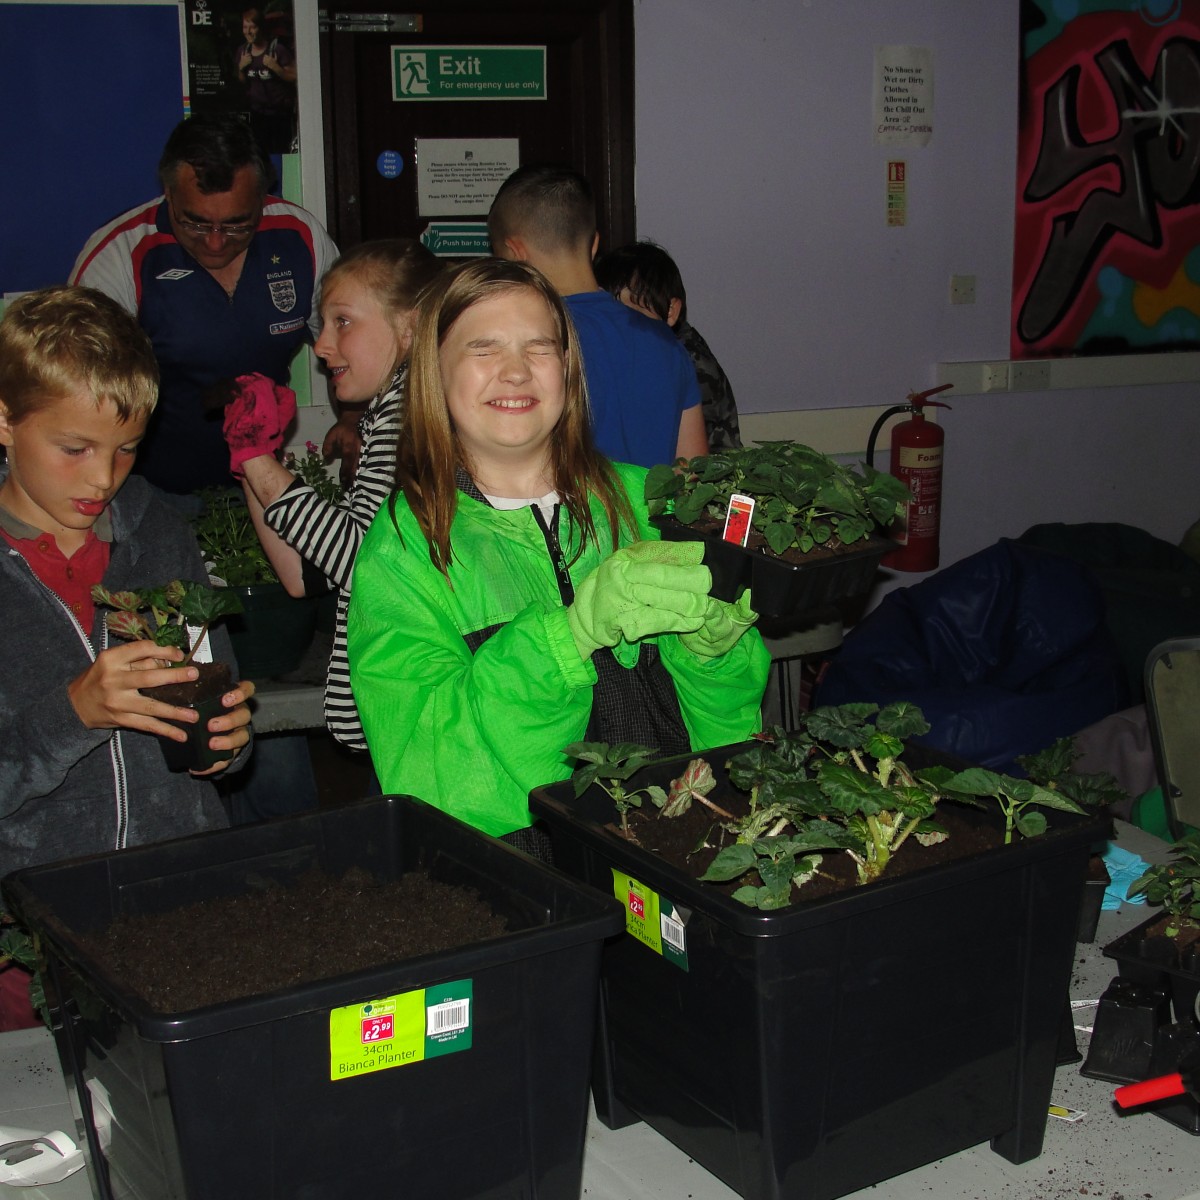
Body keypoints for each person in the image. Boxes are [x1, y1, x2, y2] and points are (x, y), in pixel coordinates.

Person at [346, 259, 768, 856]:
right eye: (484, 348)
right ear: (434, 375)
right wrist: (565, 640)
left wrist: (713, 656)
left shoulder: (651, 504)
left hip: (670, 852)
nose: (516, 371)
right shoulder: (405, 549)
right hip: (525, 879)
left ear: (568, 371)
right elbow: (432, 779)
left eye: (538, 348)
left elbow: (728, 736)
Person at [0, 287, 255, 1022]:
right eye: (74, 448)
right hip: (31, 941)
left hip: (178, 911)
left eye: (126, 449)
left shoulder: (160, 533)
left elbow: (215, 680)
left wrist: (223, 746)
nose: (102, 478)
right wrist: (72, 714)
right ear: (6, 421)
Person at [220, 239, 444, 758]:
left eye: (343, 321)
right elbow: (306, 574)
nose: (321, 347)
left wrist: (259, 459)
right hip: (404, 722)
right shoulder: (398, 412)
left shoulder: (408, 418)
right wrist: (252, 460)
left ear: (410, 327)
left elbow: (361, 560)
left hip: (416, 722)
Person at [69, 112, 338, 497]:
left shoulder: (299, 237)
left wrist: (353, 417)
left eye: (236, 226)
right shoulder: (119, 257)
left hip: (264, 480)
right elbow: (79, 393)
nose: (215, 243)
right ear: (168, 192)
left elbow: (352, 341)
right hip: (148, 490)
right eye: (193, 223)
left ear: (263, 198)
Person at [487, 164, 708, 470]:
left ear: (513, 254)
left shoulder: (529, 346)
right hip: (650, 518)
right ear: (594, 244)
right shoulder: (666, 342)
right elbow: (692, 472)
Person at [594, 240, 742, 452]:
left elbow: (689, 463)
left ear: (671, 311)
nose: (620, 326)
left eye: (632, 315)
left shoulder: (689, 364)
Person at [234, 6, 297, 155]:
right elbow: (240, 82)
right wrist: (241, 67)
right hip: (257, 114)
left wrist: (276, 68)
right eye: (245, 27)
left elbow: (294, 76)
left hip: (280, 114)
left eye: (252, 27)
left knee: (282, 152)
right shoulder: (242, 51)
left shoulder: (277, 50)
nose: (248, 32)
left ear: (260, 28)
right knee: (259, 154)